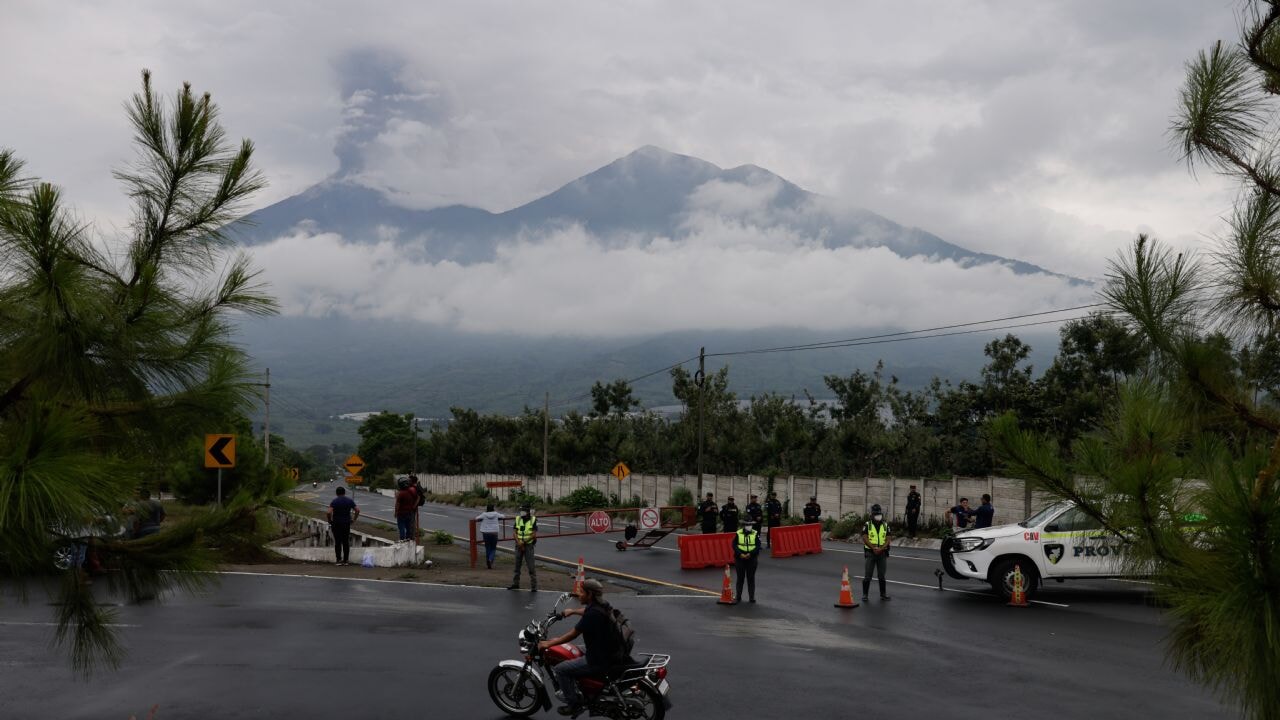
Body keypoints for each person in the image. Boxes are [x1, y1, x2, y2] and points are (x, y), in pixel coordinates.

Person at [537, 578, 619, 717]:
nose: (578, 595)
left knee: (561, 669)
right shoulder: (602, 605)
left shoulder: (592, 615)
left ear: (590, 594)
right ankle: (581, 687)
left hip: (598, 658)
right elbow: (587, 610)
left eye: (581, 592)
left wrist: (548, 643)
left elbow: (573, 634)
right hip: (606, 650)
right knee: (572, 650)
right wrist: (572, 611)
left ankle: (574, 705)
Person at [861, 503, 891, 601]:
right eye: (876, 514)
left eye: (879, 514)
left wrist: (881, 549)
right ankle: (865, 595)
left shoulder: (885, 525)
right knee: (868, 575)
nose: (878, 516)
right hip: (870, 553)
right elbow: (864, 538)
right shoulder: (867, 525)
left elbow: (888, 539)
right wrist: (873, 548)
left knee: (882, 575)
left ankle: (883, 594)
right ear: (872, 515)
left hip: (882, 553)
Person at [508, 504, 538, 592]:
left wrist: (523, 542)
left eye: (523, 511)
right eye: (521, 510)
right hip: (519, 545)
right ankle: (515, 584)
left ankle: (534, 586)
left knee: (531, 566)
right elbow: (514, 532)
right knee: (517, 566)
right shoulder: (518, 519)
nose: (521, 512)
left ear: (527, 512)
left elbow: (533, 535)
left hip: (528, 545)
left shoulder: (533, 520)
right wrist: (519, 542)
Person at [326, 486, 360, 565]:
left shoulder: (334, 501)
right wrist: (354, 519)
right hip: (346, 523)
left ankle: (338, 560)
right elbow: (357, 510)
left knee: (338, 542)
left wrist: (330, 520)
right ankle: (346, 560)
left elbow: (328, 512)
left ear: (336, 493)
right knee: (345, 541)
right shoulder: (349, 501)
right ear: (344, 492)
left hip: (336, 524)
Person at [730, 522, 760, 603]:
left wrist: (751, 553)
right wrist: (740, 554)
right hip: (740, 558)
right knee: (740, 578)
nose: (749, 526)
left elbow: (758, 545)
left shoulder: (755, 533)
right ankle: (738, 597)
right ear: (744, 525)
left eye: (750, 525)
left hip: (752, 558)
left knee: (751, 578)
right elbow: (734, 545)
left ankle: (751, 597)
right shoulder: (738, 533)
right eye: (747, 525)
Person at [475, 502, 504, 569]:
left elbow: (476, 518)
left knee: (487, 547)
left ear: (487, 508)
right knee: (493, 548)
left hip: (486, 533)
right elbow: (503, 516)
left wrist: (482, 519)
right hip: (494, 533)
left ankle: (488, 561)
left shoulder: (484, 514)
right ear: (493, 508)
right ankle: (490, 559)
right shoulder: (496, 514)